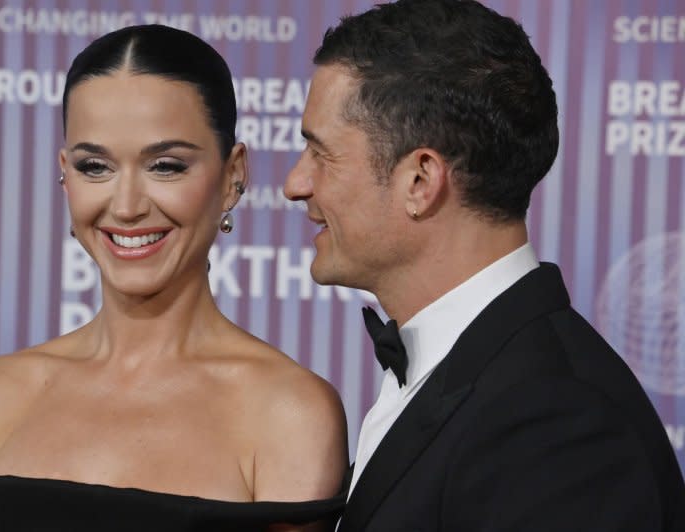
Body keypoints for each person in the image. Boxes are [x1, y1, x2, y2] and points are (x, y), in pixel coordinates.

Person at [0, 24, 348, 531]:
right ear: (65, 174)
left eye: (166, 166)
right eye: (95, 167)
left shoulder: (288, 414)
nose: (126, 206)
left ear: (233, 175)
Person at [283, 1, 685, 531]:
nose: (295, 184)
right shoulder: (491, 376)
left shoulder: (555, 428)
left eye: (321, 153)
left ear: (421, 181)